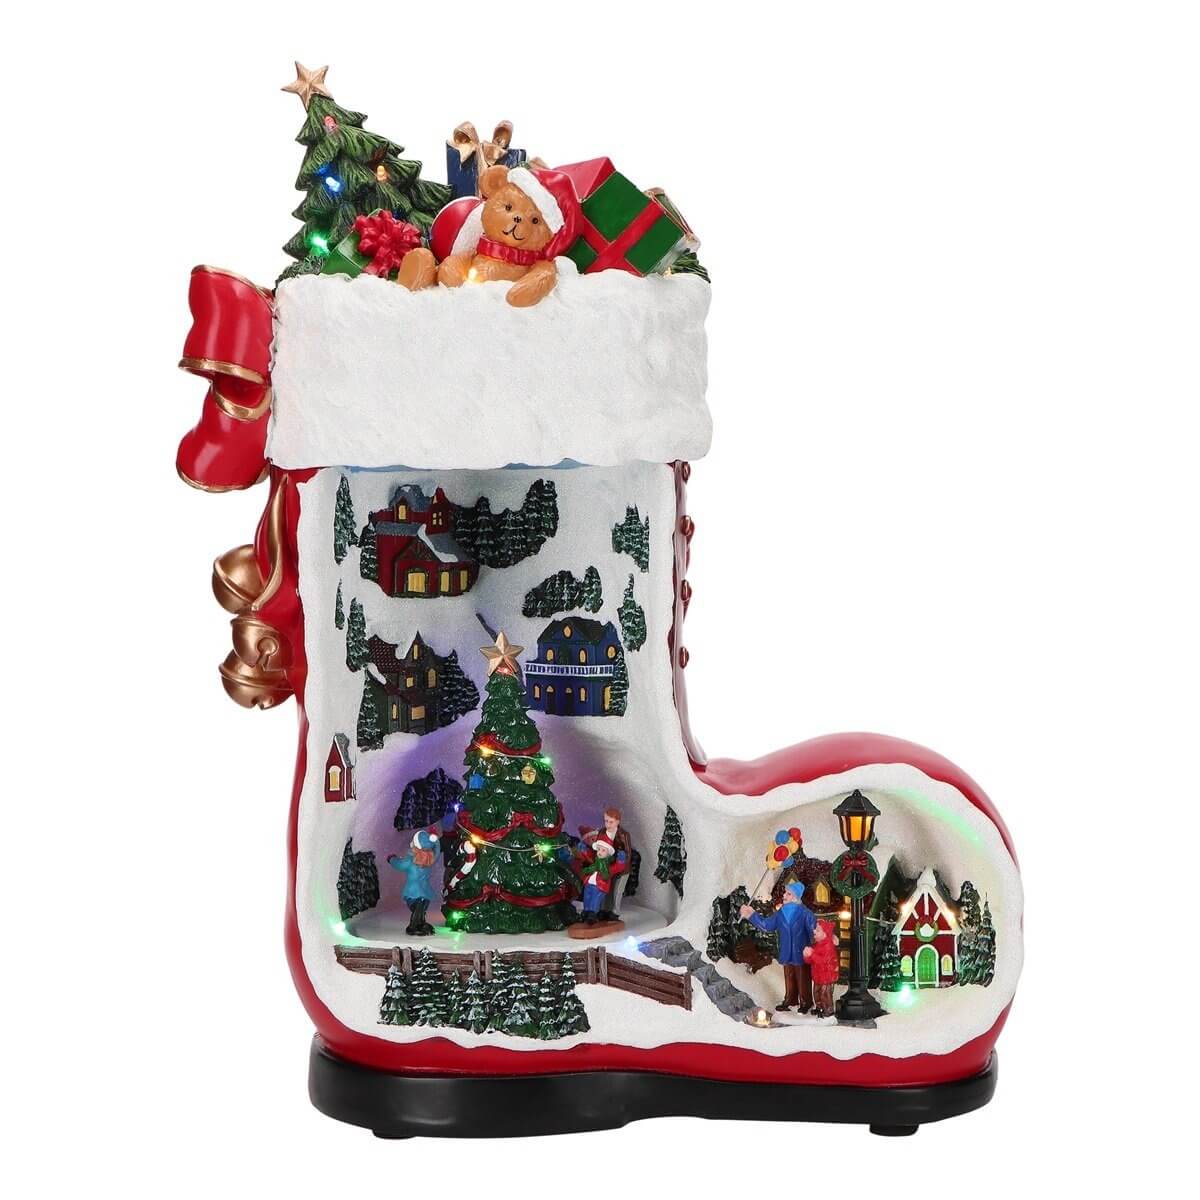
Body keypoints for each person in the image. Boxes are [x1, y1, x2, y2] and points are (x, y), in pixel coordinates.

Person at [740, 882, 818, 1012]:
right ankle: (790, 999)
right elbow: (767, 925)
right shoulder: (780, 913)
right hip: (787, 951)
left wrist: (815, 947)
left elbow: (814, 931)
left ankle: (806, 1002)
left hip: (801, 952)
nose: (784, 895)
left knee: (802, 977)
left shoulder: (805, 913)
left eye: (788, 894)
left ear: (796, 897)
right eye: (785, 893)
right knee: (789, 976)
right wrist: (751, 915)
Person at [575, 808, 627, 925]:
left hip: (600, 885)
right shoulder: (596, 858)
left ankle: (592, 914)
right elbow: (589, 856)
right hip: (589, 882)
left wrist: (621, 860)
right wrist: (583, 850)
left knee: (595, 900)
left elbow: (617, 868)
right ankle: (586, 912)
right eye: (599, 849)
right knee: (587, 898)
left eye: (603, 850)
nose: (599, 852)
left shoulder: (608, 865)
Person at [387, 828, 441, 936]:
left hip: (413, 893)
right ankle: (419, 923)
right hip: (423, 892)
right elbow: (437, 850)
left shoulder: (410, 860)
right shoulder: (430, 859)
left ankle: (415, 925)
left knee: (418, 908)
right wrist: (435, 840)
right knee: (421, 907)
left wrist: (391, 859)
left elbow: (399, 864)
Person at [804, 919, 840, 1017]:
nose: (814, 931)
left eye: (818, 930)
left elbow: (823, 961)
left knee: (825, 994)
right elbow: (811, 961)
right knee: (816, 993)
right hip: (818, 976)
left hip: (827, 977)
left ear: (825, 933)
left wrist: (812, 954)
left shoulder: (828, 946)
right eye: (815, 929)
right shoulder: (817, 945)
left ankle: (828, 1009)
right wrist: (807, 956)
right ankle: (819, 1007)